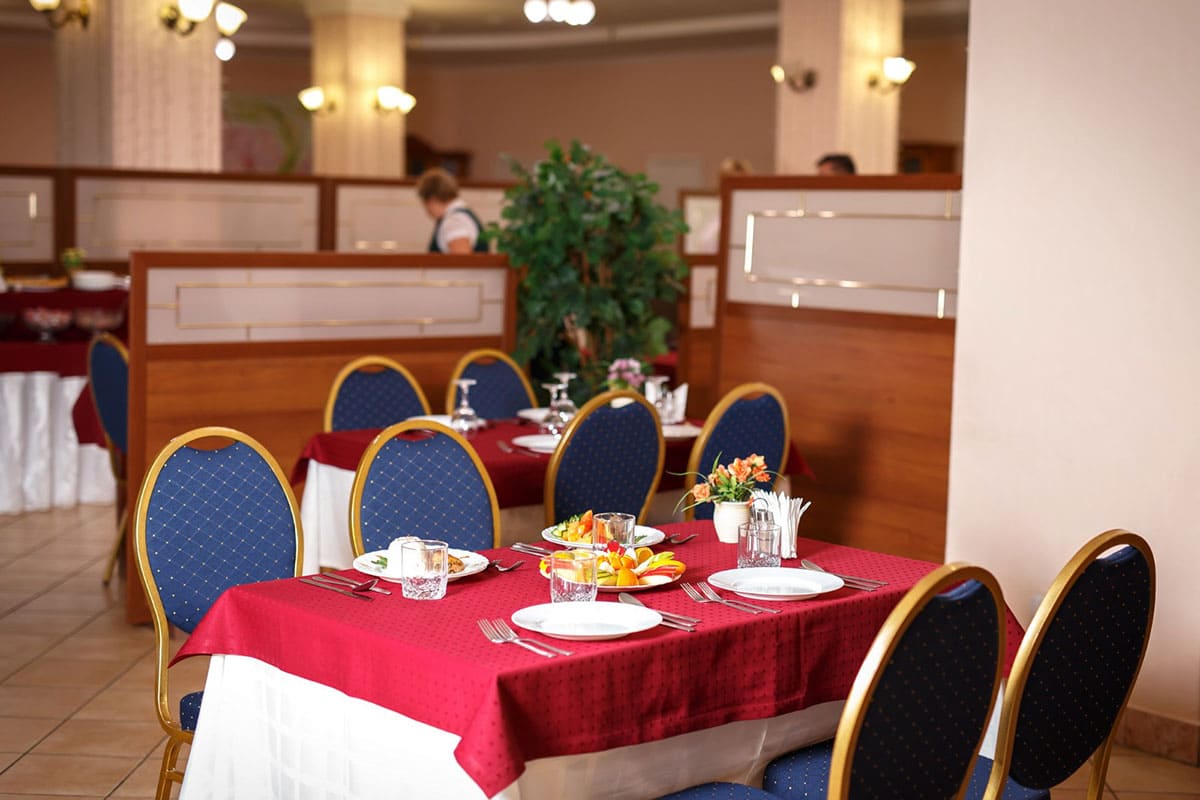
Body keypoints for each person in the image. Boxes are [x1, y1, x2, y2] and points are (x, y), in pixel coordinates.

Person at [416, 167, 488, 253]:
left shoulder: (454, 221)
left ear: (432, 199)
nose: (427, 211)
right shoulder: (459, 216)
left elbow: (462, 259)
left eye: (424, 204)